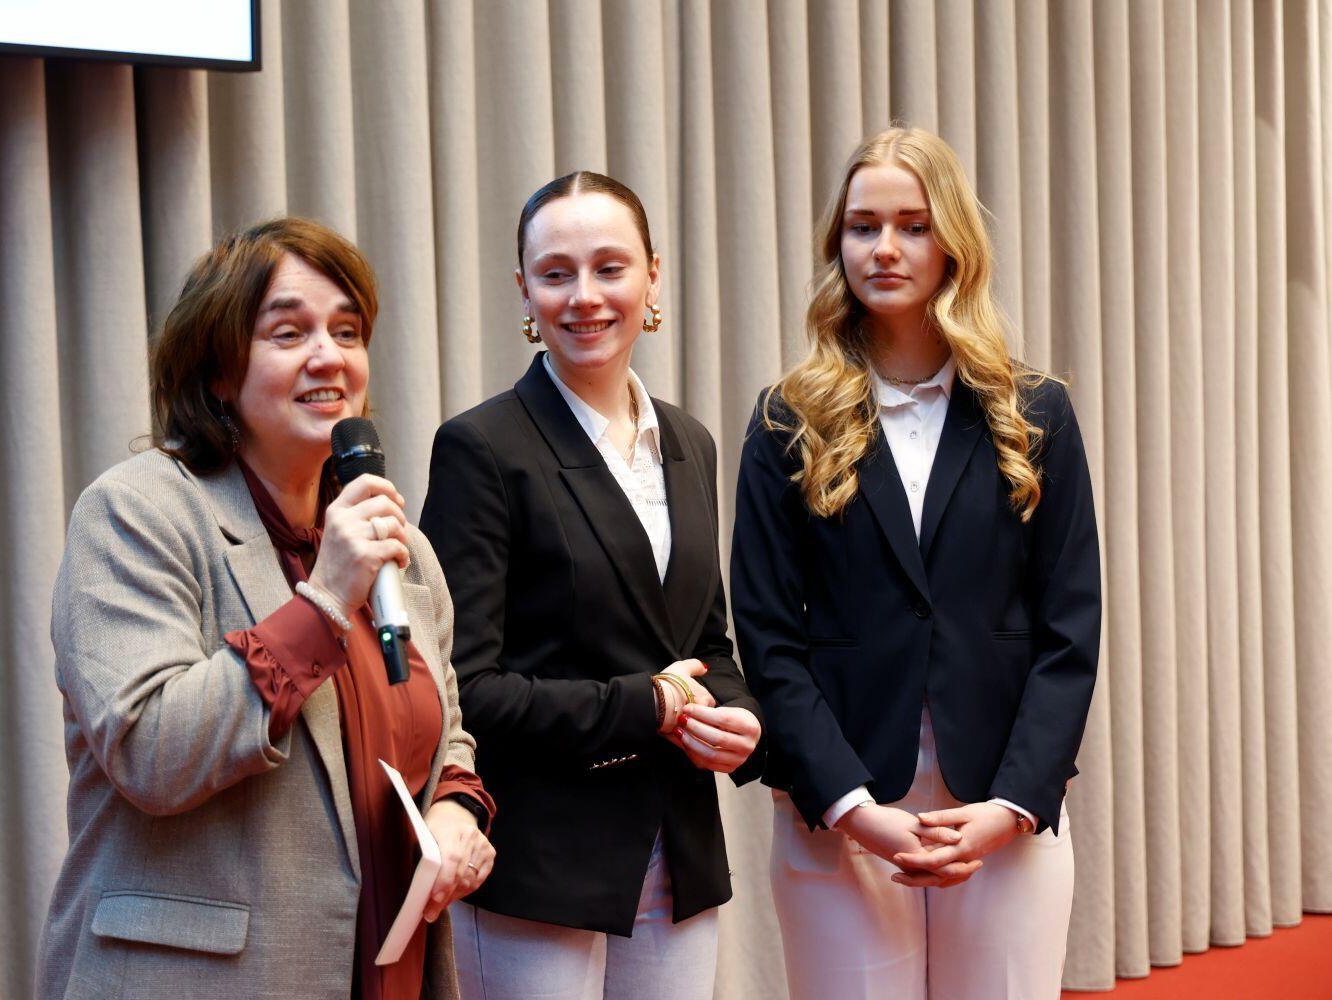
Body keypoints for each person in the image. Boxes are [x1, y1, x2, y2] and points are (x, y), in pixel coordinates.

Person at [36, 217, 495, 999]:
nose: (330, 355)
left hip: (385, 972)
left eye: (347, 331)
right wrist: (323, 603)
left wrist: (458, 810)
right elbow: (150, 751)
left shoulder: (401, 547)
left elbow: (445, 733)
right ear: (218, 372)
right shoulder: (136, 513)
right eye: (290, 332)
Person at [731, 127, 1101, 999]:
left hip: (1003, 812)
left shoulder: (1035, 411)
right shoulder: (786, 419)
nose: (886, 248)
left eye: (913, 224)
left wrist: (1011, 808)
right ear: (839, 246)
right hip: (842, 814)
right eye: (864, 226)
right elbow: (769, 640)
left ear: (953, 246)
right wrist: (858, 813)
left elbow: (1069, 633)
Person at [420, 171, 764, 999]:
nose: (585, 297)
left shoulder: (690, 440)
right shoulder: (481, 447)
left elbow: (704, 644)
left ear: (652, 275)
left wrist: (739, 714)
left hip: (675, 848)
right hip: (538, 857)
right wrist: (643, 704)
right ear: (524, 293)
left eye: (610, 268)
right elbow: (459, 690)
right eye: (556, 273)